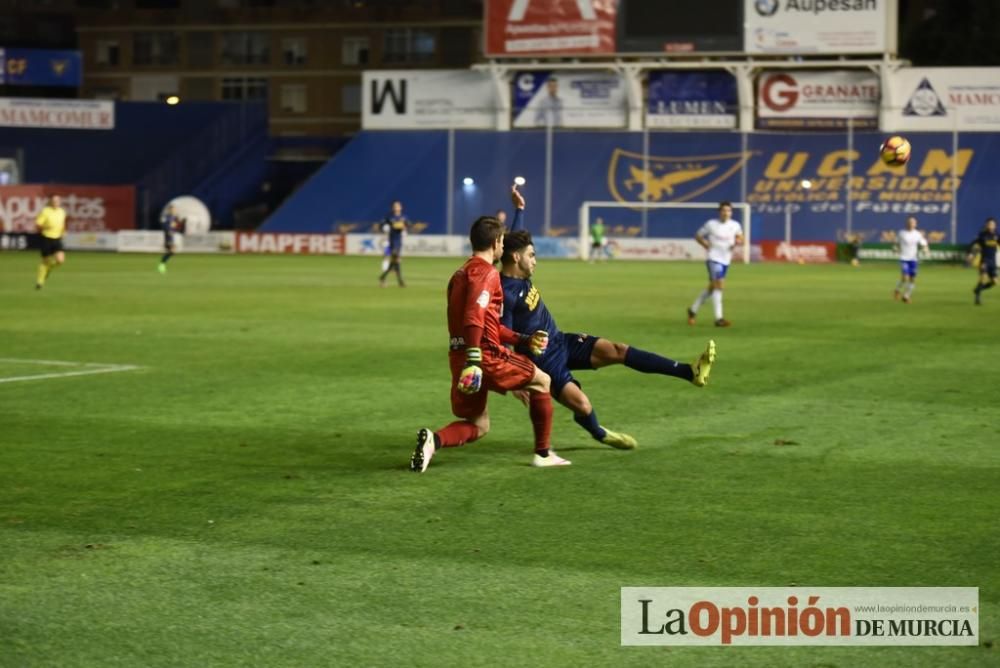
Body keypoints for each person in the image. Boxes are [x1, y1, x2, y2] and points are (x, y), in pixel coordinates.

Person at [501, 192, 716, 449]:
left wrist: (520, 210)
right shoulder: (506, 292)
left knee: (618, 350)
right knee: (583, 405)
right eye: (532, 255)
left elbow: (516, 237)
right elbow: (503, 334)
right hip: (544, 362)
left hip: (561, 340)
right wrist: (515, 380)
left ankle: (688, 372)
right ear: (516, 257)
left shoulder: (519, 271)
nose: (535, 261)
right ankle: (599, 433)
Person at [410, 215, 567, 473]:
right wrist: (475, 359)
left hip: (460, 356)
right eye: (503, 242)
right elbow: (474, 315)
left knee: (479, 424)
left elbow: (486, 322)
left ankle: (433, 441)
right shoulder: (488, 274)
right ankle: (543, 453)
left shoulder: (460, 274)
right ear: (496, 242)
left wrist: (522, 339)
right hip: (483, 356)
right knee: (543, 381)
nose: (503, 247)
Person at [687, 201, 743, 327]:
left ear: (731, 212)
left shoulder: (735, 225)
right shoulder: (711, 224)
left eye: (728, 210)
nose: (726, 213)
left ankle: (693, 310)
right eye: (724, 210)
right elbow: (698, 236)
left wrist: (738, 240)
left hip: (725, 260)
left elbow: (740, 237)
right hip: (713, 258)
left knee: (712, 287)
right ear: (719, 212)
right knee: (719, 285)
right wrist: (705, 244)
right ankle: (719, 318)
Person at [893, 216, 929, 304]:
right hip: (904, 258)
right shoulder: (901, 233)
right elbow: (896, 243)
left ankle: (906, 296)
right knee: (905, 278)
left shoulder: (917, 234)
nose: (911, 224)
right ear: (906, 223)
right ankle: (897, 290)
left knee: (913, 279)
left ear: (915, 224)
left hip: (913, 259)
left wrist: (926, 250)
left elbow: (924, 244)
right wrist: (895, 248)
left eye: (913, 222)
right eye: (909, 222)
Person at [35, 195, 66, 290]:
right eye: (54, 200)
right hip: (46, 238)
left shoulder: (62, 212)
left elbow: (63, 224)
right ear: (50, 201)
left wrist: (63, 232)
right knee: (45, 261)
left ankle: (48, 269)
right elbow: (38, 224)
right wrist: (45, 228)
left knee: (60, 260)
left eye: (58, 200)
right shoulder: (45, 211)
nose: (56, 202)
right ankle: (40, 281)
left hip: (57, 238)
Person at [378, 200, 409, 287]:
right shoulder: (389, 217)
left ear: (401, 207)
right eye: (395, 206)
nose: (396, 208)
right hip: (392, 241)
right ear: (393, 208)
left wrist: (405, 228)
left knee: (395, 262)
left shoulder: (404, 217)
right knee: (396, 259)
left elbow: (407, 224)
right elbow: (381, 224)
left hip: (399, 241)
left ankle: (383, 277)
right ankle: (400, 281)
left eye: (398, 206)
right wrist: (384, 228)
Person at [970, 217, 998, 305]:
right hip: (984, 260)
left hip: (993, 262)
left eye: (992, 224)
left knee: (995, 282)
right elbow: (974, 243)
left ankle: (977, 289)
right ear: (986, 225)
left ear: (995, 226)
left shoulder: (996, 235)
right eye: (989, 224)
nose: (991, 226)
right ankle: (977, 298)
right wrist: (971, 253)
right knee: (983, 278)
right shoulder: (983, 235)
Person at [158, 204, 185, 274]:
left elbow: (176, 227)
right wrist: (168, 230)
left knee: (172, 251)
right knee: (172, 251)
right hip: (168, 236)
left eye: (174, 209)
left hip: (172, 236)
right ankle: (161, 265)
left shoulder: (174, 217)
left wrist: (181, 223)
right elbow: (163, 225)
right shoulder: (166, 217)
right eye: (173, 209)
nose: (174, 210)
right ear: (169, 210)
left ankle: (162, 264)